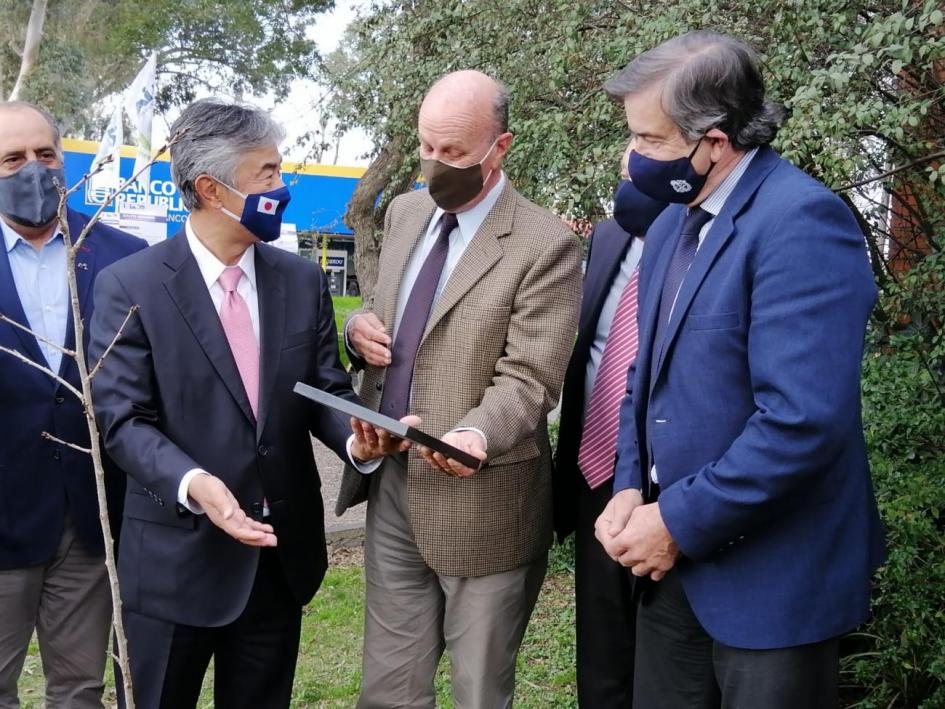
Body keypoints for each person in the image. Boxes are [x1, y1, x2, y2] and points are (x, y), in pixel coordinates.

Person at [594, 31, 886, 708]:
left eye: (649, 140)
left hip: (772, 585)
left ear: (715, 141)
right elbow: (645, 373)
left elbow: (800, 423)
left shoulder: (802, 222)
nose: (631, 157)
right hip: (669, 574)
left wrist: (673, 522)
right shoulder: (672, 221)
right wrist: (629, 487)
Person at [89, 98, 402, 709]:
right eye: (268, 174)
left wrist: (356, 439)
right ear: (211, 188)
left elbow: (324, 391)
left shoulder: (301, 280)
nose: (282, 189)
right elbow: (123, 422)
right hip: (173, 564)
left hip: (276, 563)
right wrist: (196, 483)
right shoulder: (129, 286)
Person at [338, 70, 582, 708]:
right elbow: (392, 312)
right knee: (388, 689)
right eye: (427, 148)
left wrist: (475, 433)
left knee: (478, 693)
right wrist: (361, 327)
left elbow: (530, 377)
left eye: (454, 153)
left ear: (499, 147)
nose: (435, 166)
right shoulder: (406, 211)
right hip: (392, 487)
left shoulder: (545, 244)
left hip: (484, 503)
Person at [0, 101, 146, 709]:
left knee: (81, 690)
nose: (33, 169)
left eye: (45, 154)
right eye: (12, 159)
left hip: (91, 522)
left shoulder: (122, 255)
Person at [553, 144, 666, 707]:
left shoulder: (706, 245)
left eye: (637, 175)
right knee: (601, 650)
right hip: (595, 471)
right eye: (622, 175)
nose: (627, 187)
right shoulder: (607, 239)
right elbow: (591, 350)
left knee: (666, 659)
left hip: (668, 484)